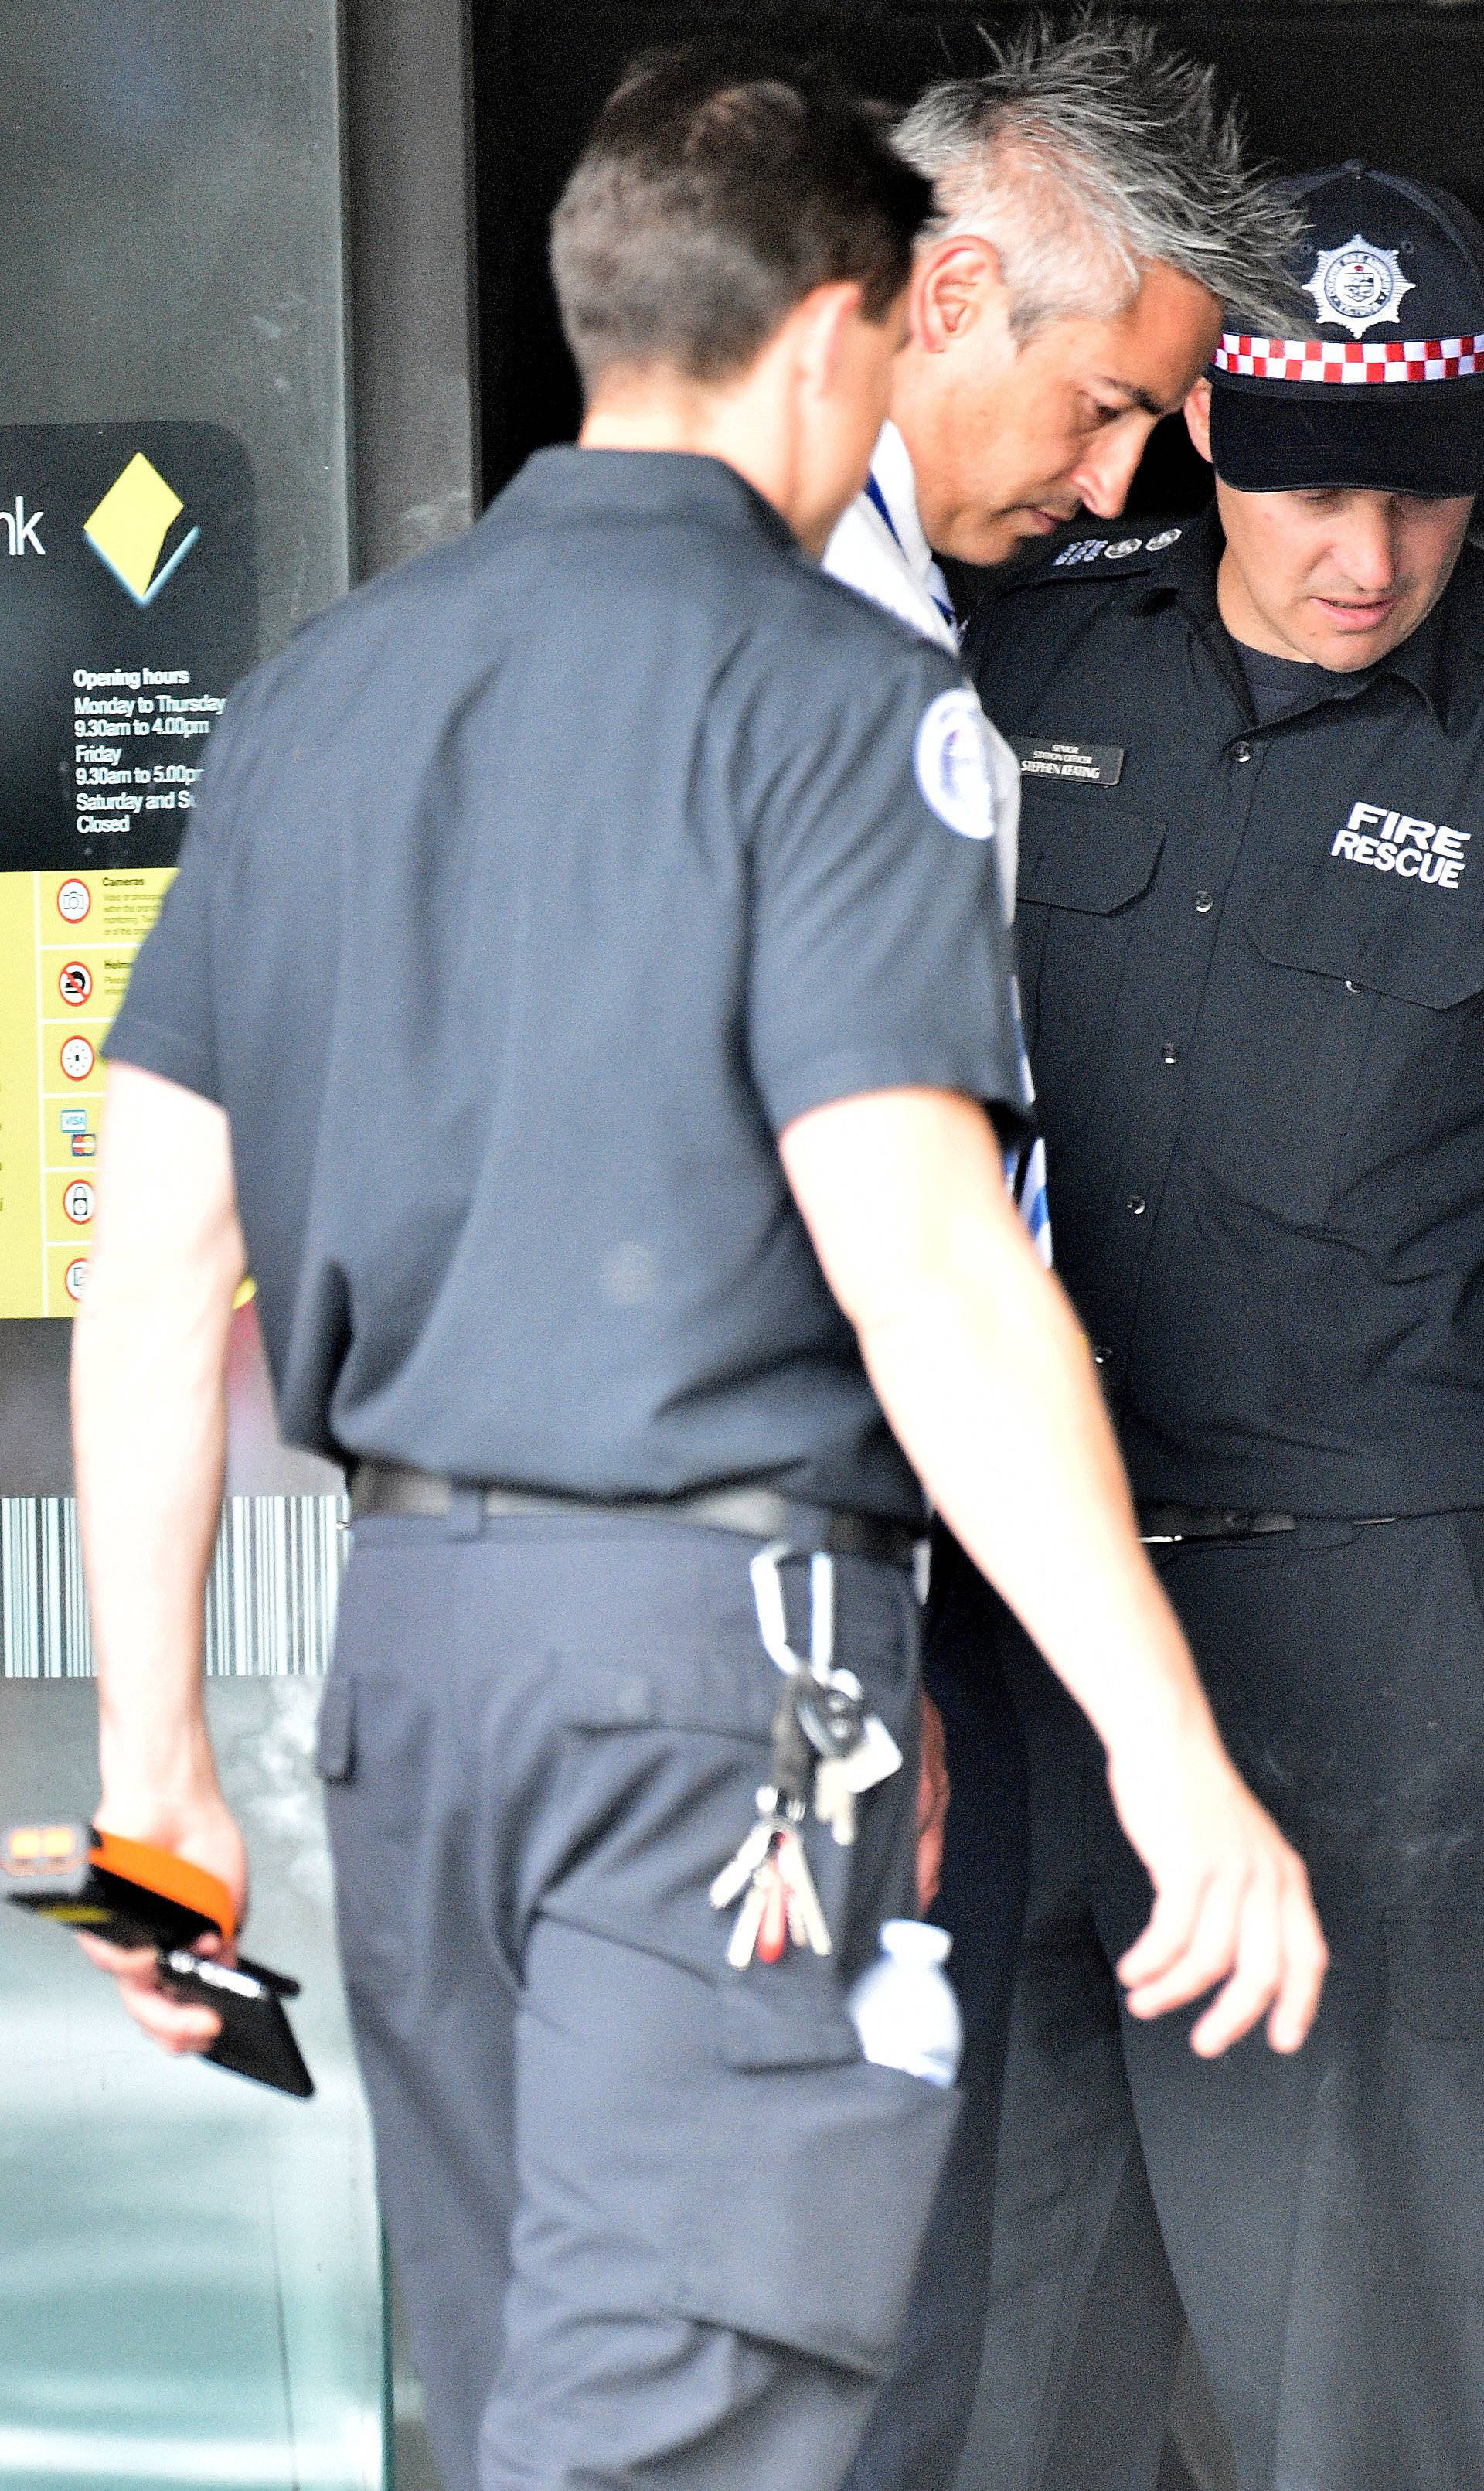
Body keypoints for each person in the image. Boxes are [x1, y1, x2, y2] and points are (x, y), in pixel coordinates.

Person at [70, 56, 1323, 2491]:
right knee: (701, 2442)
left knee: (545, 2399)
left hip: (414, 1687)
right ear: (840, 334)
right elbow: (932, 1272)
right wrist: (1175, 1762)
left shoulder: (318, 696)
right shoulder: (843, 702)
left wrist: (153, 1787)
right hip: (720, 1688)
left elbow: (154, 1267)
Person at [958, 162, 1484, 2491]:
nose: (1361, 556)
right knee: (1000, 2351)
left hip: (1358, 1650)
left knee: (1343, 2382)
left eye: (1417, 501)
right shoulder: (1031, 649)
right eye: (1303, 491)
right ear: (1198, 445)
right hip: (1026, 1627)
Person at [822, 26, 1302, 2489]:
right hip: (809, 1641)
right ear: (953, 288)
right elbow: (881, 1255)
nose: (1126, 488)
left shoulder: (911, 622)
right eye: (1111, 410)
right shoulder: (791, 654)